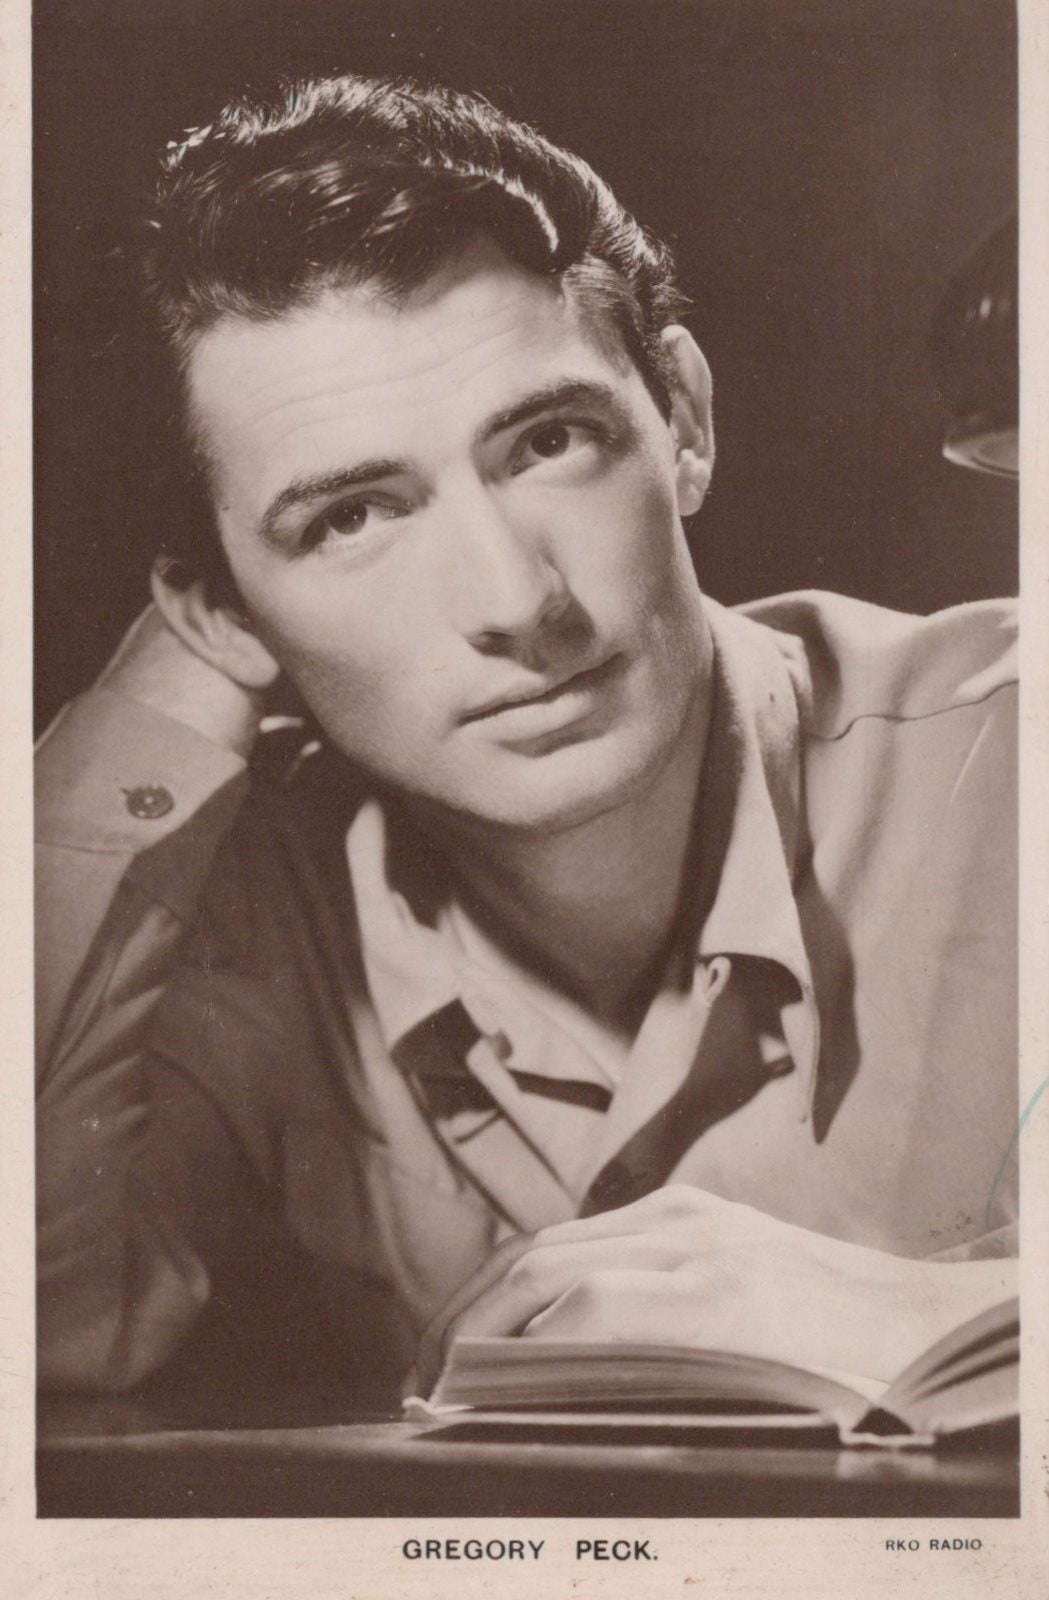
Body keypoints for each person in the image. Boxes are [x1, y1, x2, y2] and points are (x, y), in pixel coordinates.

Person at [36, 74, 1017, 1400]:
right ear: (219, 600)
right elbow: (44, 1329)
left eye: (549, 440)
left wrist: (920, 1316)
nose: (517, 604)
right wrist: (144, 724)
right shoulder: (229, 912)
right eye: (348, 519)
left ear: (678, 415)